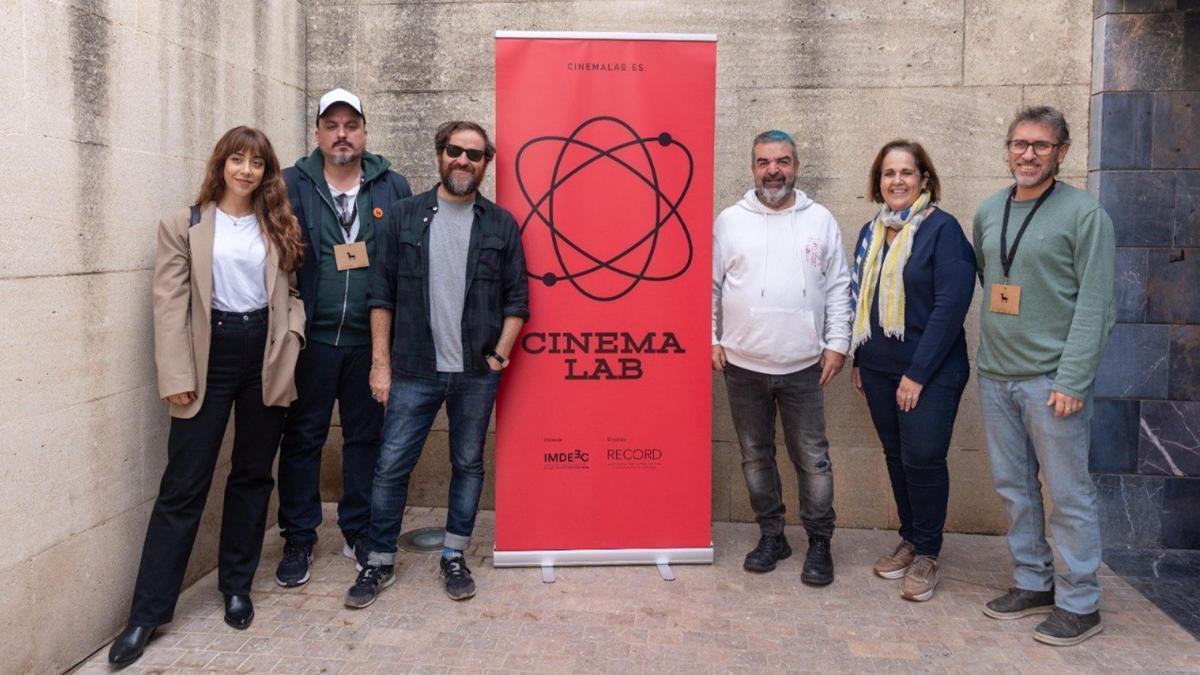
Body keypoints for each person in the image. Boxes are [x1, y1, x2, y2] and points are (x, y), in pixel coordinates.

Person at [108, 127, 305, 667]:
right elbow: (167, 304)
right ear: (220, 164)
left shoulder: (278, 223)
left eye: (257, 163)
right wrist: (175, 373)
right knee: (183, 484)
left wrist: (292, 338)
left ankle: (236, 586)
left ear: (267, 173)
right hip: (207, 355)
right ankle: (148, 613)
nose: (246, 170)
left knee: (252, 475)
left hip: (264, 351)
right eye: (237, 159)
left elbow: (290, 293)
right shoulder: (184, 225)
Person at [344, 120, 529, 608]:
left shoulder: (501, 225)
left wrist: (498, 357)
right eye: (455, 151)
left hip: (475, 373)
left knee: (467, 464)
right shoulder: (402, 218)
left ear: (486, 163)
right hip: (412, 368)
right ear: (439, 154)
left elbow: (518, 300)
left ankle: (454, 554)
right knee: (390, 467)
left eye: (475, 154)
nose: (463, 161)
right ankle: (378, 561)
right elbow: (380, 297)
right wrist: (379, 365)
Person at [975, 106, 1115, 646]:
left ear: (1062, 152)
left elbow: (1097, 304)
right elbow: (993, 278)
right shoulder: (989, 211)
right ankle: (1032, 581)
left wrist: (1073, 380)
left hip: (1052, 380)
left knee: (1068, 492)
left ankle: (1081, 602)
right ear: (1007, 148)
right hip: (996, 375)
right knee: (1014, 489)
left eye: (1041, 145)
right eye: (1019, 143)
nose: (1027, 154)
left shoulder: (1085, 214)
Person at [274, 88, 412, 587]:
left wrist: (394, 351)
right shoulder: (290, 184)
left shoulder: (392, 186)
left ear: (365, 132)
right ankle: (299, 537)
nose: (341, 135)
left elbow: (404, 264)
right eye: (331, 126)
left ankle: (358, 529)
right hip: (310, 342)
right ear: (317, 134)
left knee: (365, 440)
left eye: (350, 125)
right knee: (303, 438)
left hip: (369, 343)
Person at [711, 129, 852, 586]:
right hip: (742, 364)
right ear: (752, 168)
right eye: (764, 162)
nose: (774, 170)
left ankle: (819, 542)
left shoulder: (822, 220)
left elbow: (837, 287)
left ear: (796, 165)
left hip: (803, 365)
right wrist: (711, 338)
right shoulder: (729, 221)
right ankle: (772, 535)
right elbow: (708, 287)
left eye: (783, 161)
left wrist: (837, 343)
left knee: (812, 458)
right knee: (755, 456)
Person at [848, 140, 976, 602]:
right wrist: (861, 359)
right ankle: (911, 535)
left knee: (922, 457)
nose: (897, 181)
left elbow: (950, 306)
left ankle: (928, 552)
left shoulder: (943, 231)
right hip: (879, 369)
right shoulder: (871, 231)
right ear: (878, 182)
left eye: (907, 172)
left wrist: (917, 374)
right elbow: (862, 300)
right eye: (888, 173)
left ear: (925, 179)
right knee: (895, 455)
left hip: (931, 371)